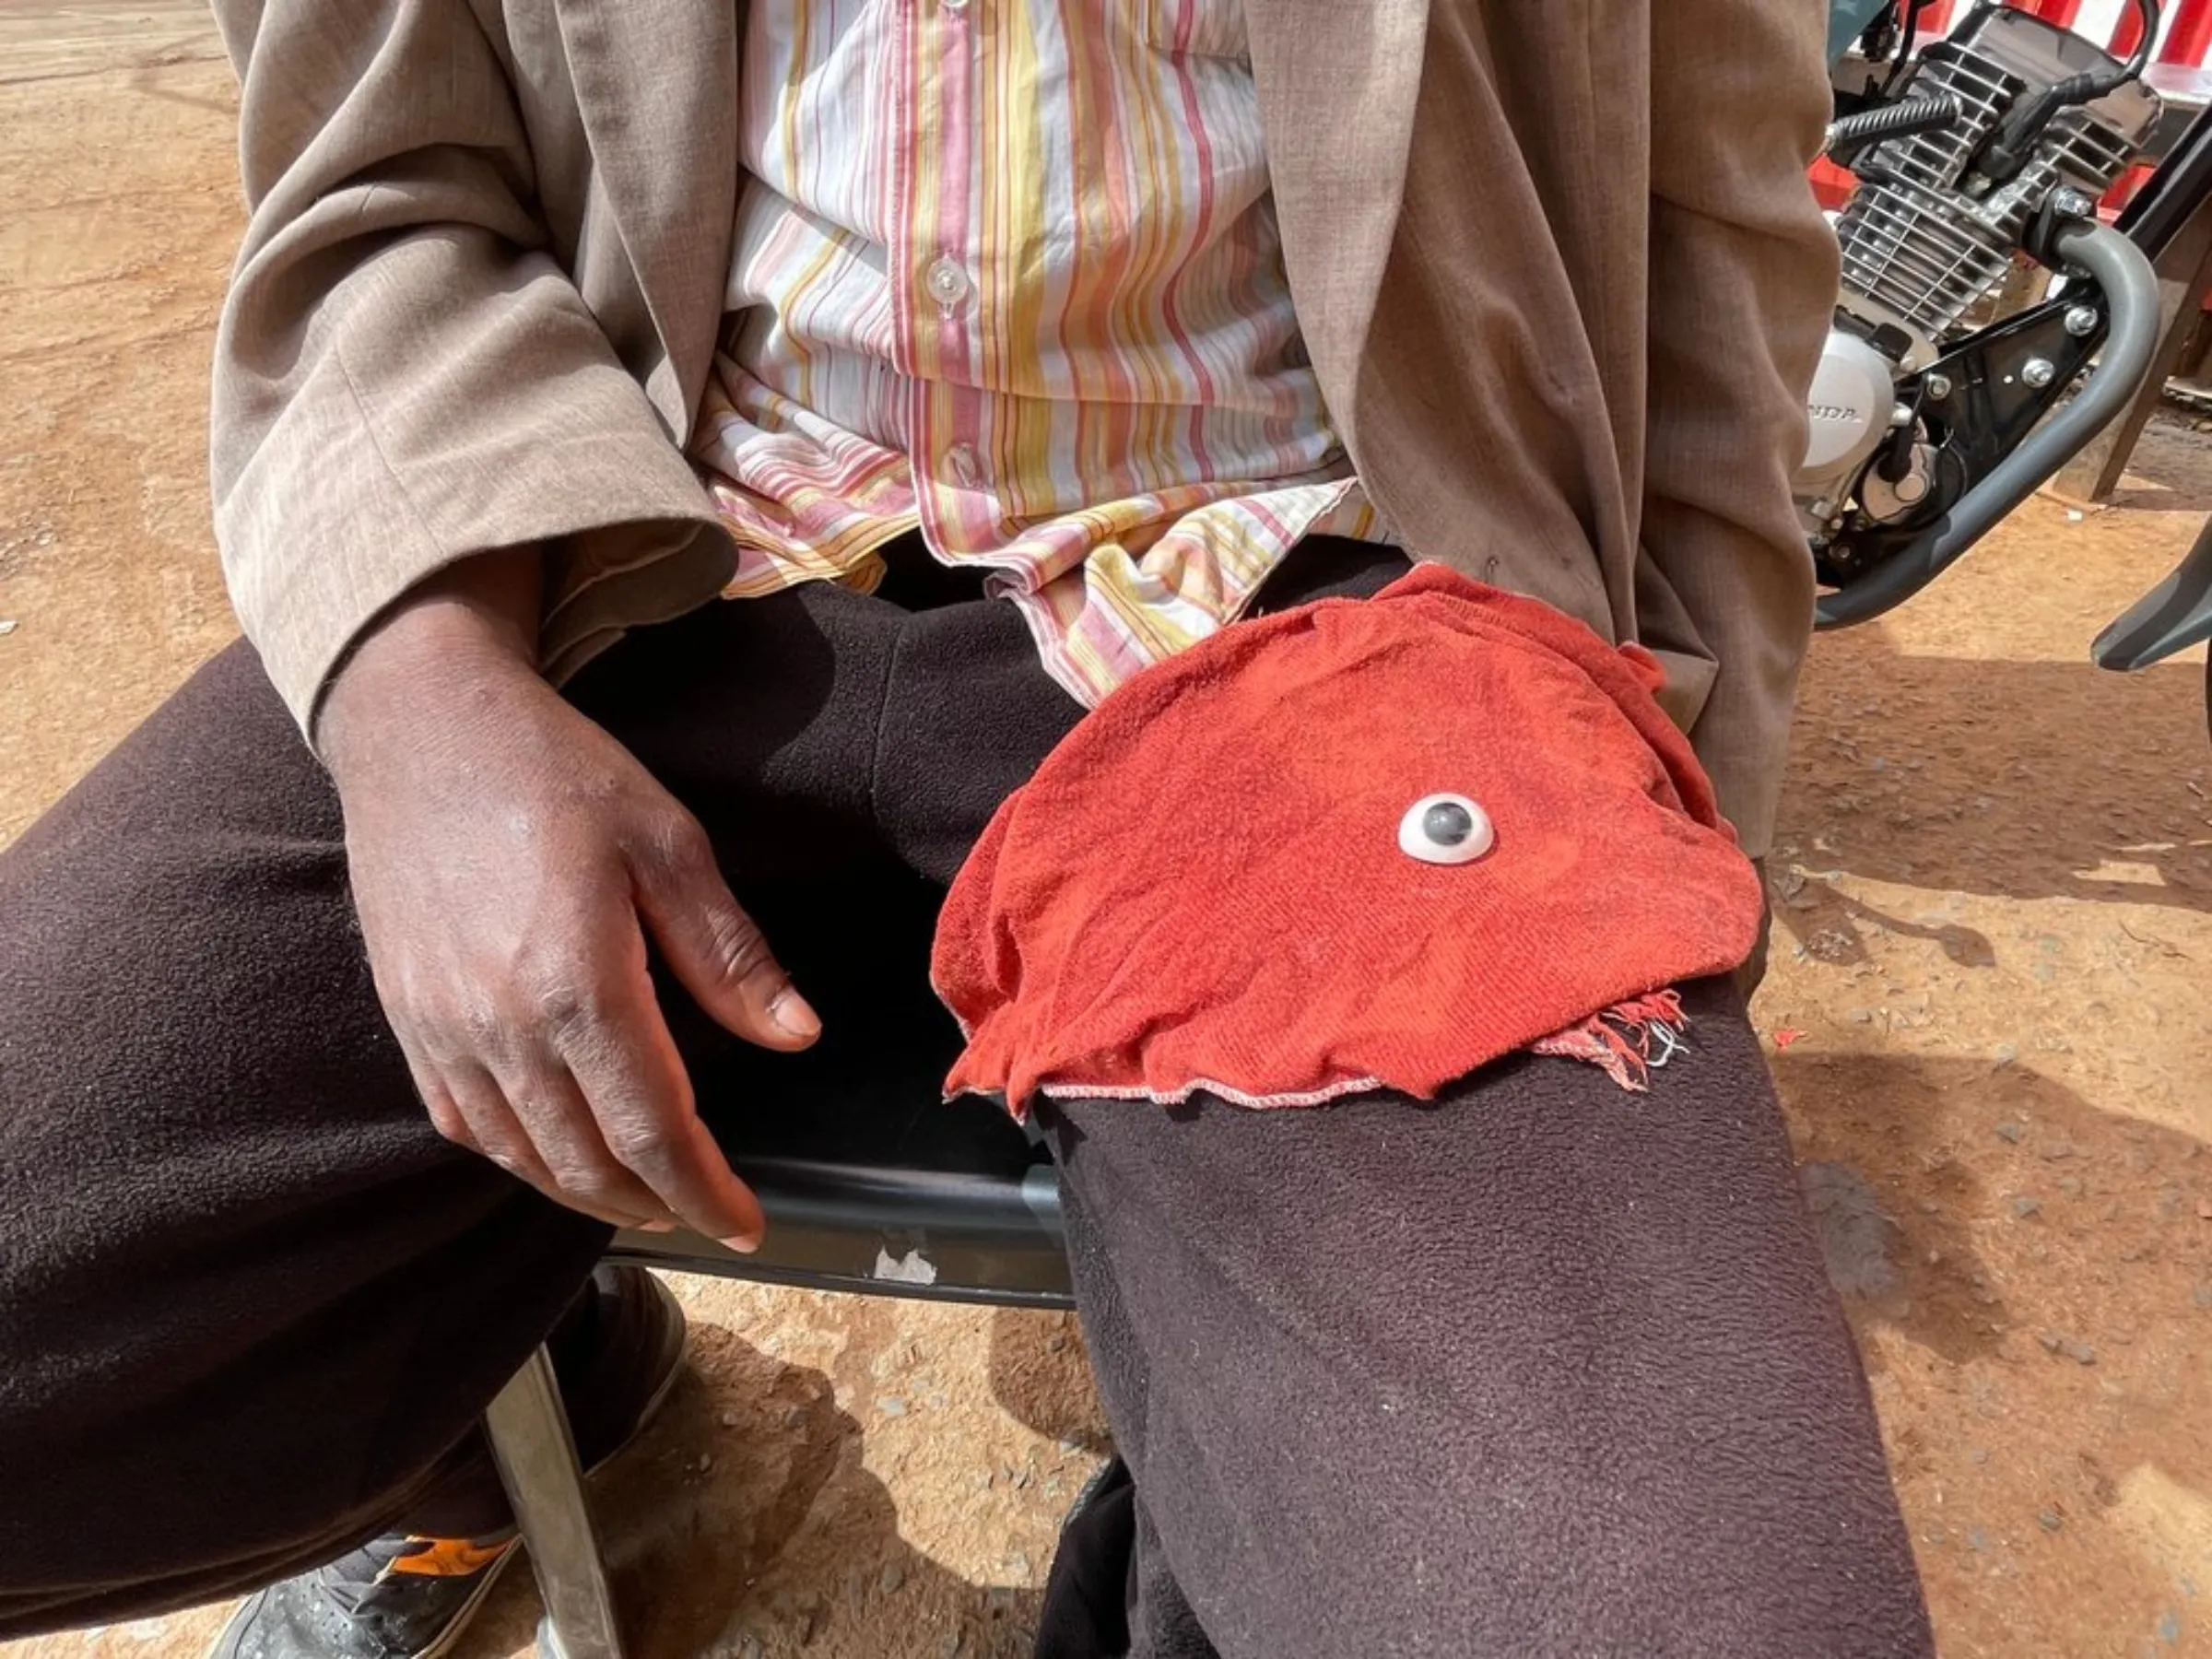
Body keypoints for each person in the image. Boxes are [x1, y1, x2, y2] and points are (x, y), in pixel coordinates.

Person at [0, 0, 1936, 1653]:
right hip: (613, 528)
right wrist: (415, 685)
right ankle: (496, 1391)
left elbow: (1716, 244)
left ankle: (1177, 1549)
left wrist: (1664, 805)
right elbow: (368, 195)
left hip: (1306, 592)